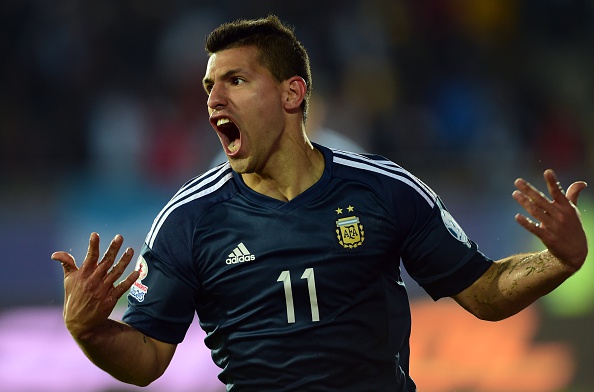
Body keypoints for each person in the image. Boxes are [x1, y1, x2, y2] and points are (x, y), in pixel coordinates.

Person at [51, 15, 588, 391]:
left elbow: (485, 292)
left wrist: (560, 261)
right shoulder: (188, 220)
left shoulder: (385, 190)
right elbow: (146, 360)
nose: (213, 99)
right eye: (209, 85)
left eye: (236, 80)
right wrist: (91, 331)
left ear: (292, 94)